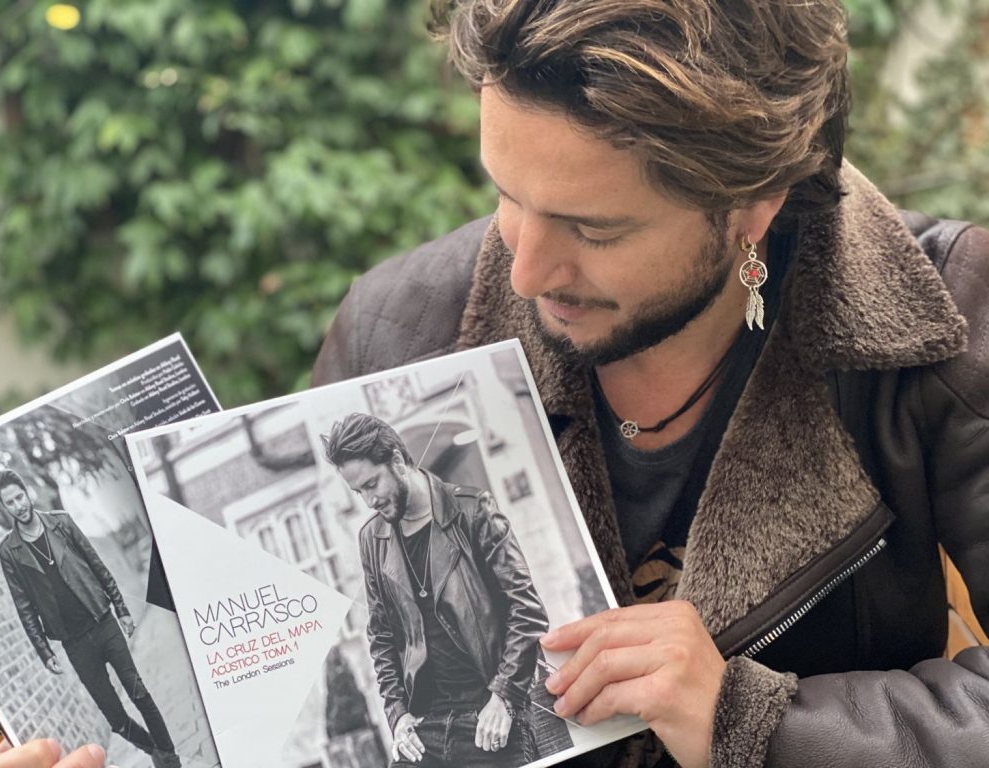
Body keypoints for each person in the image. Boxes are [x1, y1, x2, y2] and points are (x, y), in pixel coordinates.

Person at [310, 1, 989, 767]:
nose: (526, 270)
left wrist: (756, 729)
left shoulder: (953, 327)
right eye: (505, 193)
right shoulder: (397, 330)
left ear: (755, 203)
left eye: (595, 229)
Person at [322, 412, 552, 767]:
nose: (368, 501)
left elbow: (527, 609)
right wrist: (397, 714)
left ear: (397, 461)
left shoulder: (473, 511)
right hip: (425, 724)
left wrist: (505, 697)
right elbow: (381, 635)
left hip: (489, 715)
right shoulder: (372, 538)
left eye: (371, 485)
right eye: (358, 492)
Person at [0, 470, 181, 768]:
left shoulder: (62, 522)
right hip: (74, 642)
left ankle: (170, 758)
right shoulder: (9, 551)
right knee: (116, 718)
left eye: (20, 497)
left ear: (28, 494)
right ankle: (153, 749)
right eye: (10, 502)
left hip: (103, 622)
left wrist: (121, 609)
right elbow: (23, 604)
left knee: (139, 694)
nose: (19, 505)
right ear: (5, 508)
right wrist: (43, 649)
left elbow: (97, 564)